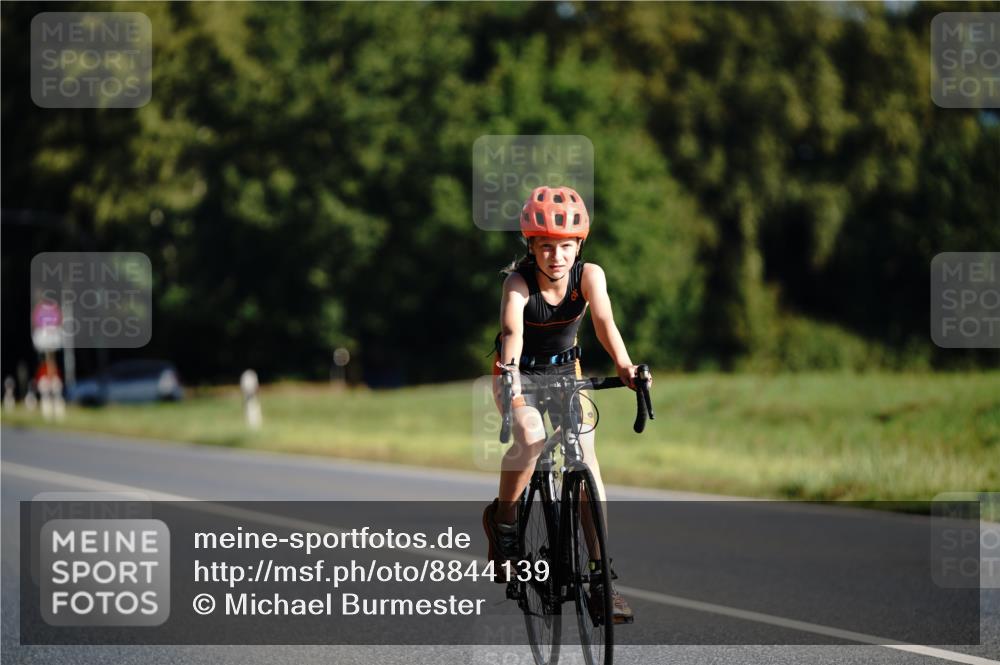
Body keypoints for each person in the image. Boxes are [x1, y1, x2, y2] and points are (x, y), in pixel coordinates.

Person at [482, 185, 641, 624]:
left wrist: (625, 367)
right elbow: (511, 334)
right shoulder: (518, 283)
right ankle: (505, 522)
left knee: (586, 460)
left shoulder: (589, 276)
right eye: (546, 246)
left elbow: (605, 322)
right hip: (518, 373)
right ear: (531, 246)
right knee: (531, 437)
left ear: (579, 245)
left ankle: (601, 578)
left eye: (566, 246)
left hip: (566, 374)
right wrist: (512, 380)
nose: (557, 256)